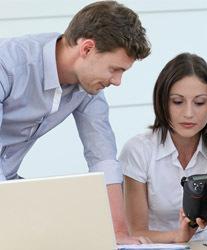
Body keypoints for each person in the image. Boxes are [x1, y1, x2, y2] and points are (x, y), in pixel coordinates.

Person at [0, 1, 151, 244]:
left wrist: (119, 234)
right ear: (87, 48)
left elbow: (103, 158)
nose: (117, 81)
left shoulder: (88, 88)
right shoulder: (8, 64)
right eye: (115, 69)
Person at [119, 53, 207, 243]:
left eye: (200, 102)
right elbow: (136, 233)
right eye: (177, 102)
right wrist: (178, 237)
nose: (189, 113)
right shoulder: (138, 150)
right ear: (163, 101)